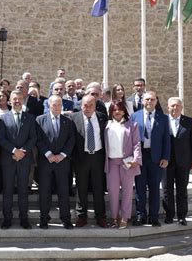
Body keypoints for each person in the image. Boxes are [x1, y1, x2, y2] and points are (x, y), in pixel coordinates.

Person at [0, 90, 37, 229]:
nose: (17, 101)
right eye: (14, 99)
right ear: (10, 101)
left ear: (23, 100)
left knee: (23, 190)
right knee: (7, 190)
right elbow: (1, 138)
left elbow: (33, 138)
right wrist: (14, 151)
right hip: (8, 159)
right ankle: (7, 219)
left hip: (25, 159)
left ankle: (24, 218)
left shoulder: (30, 118)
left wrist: (22, 152)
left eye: (20, 98)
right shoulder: (3, 118)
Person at [35, 95, 75, 229]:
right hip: (46, 162)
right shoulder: (40, 120)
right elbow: (38, 139)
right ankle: (44, 219)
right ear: (49, 106)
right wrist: (48, 154)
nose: (57, 107)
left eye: (59, 105)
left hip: (62, 162)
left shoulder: (67, 121)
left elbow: (71, 139)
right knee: (44, 191)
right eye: (54, 105)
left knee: (63, 191)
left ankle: (66, 219)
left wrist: (63, 155)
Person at [131, 91, 170, 227]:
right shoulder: (134, 116)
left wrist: (165, 157)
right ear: (143, 101)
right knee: (140, 188)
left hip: (156, 158)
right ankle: (141, 215)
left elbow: (167, 139)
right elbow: (130, 138)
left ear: (156, 101)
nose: (149, 102)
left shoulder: (163, 118)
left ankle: (153, 216)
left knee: (154, 188)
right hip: (140, 157)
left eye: (152, 99)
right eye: (147, 99)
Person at [71, 94, 108, 228]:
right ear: (81, 106)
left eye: (90, 105)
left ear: (95, 106)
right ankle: (81, 217)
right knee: (81, 188)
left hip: (98, 157)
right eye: (85, 105)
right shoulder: (74, 118)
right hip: (81, 157)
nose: (87, 108)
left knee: (99, 188)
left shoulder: (102, 117)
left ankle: (101, 217)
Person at [104, 101, 142, 229]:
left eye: (119, 109)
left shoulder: (132, 125)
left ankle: (125, 217)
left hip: (128, 162)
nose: (117, 112)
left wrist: (136, 159)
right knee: (113, 192)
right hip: (112, 163)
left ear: (124, 111)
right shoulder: (106, 125)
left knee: (127, 192)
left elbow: (136, 143)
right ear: (111, 112)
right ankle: (114, 217)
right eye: (114, 110)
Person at [165, 97, 192, 226]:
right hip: (166, 162)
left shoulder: (189, 122)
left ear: (181, 107)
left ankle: (181, 216)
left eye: (178, 106)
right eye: (172, 106)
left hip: (184, 162)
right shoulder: (163, 121)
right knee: (167, 190)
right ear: (168, 107)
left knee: (181, 190)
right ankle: (169, 215)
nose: (175, 108)